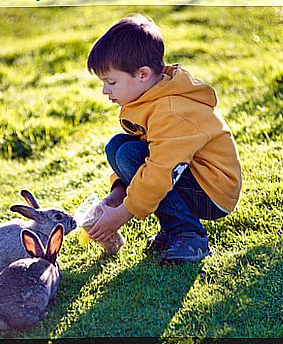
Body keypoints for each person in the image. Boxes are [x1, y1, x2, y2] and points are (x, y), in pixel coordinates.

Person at [86, 14, 242, 264]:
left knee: (129, 155)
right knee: (118, 146)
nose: (105, 90)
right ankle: (173, 228)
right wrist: (118, 192)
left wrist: (122, 214)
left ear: (143, 74)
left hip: (214, 191)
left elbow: (160, 171)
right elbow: (151, 154)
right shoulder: (150, 96)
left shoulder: (170, 110)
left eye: (111, 82)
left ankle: (189, 235)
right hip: (192, 176)